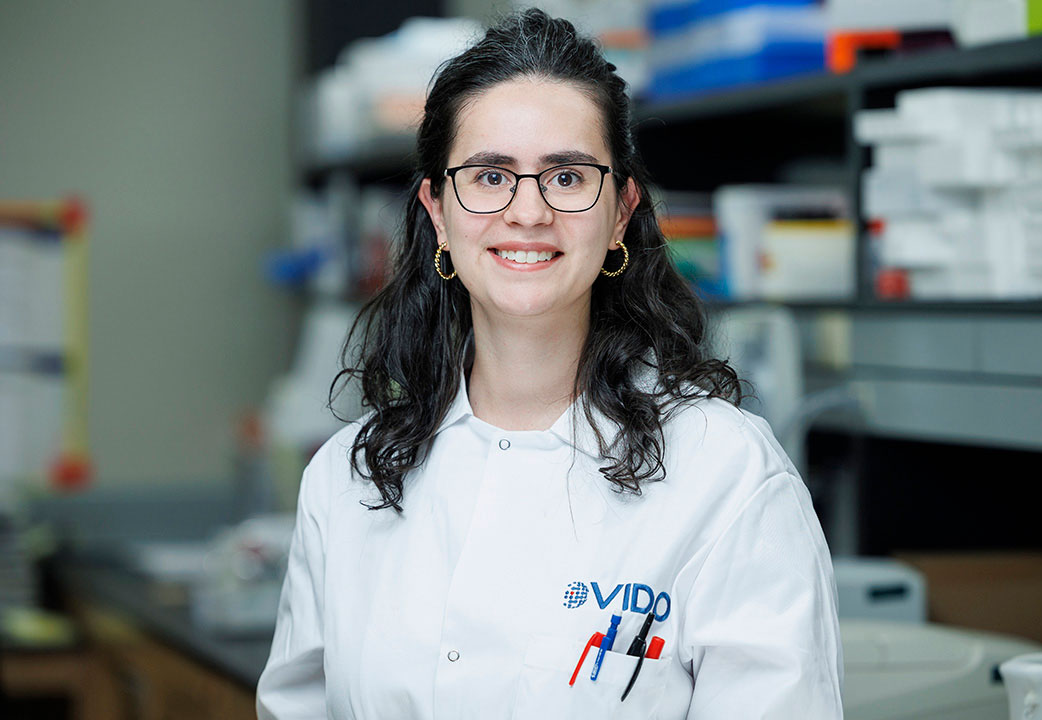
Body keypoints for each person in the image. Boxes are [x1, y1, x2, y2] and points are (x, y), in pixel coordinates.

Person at [256, 8, 842, 719]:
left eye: (566, 176)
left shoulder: (726, 474)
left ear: (620, 211)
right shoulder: (346, 480)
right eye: (489, 175)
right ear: (437, 211)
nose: (528, 213)